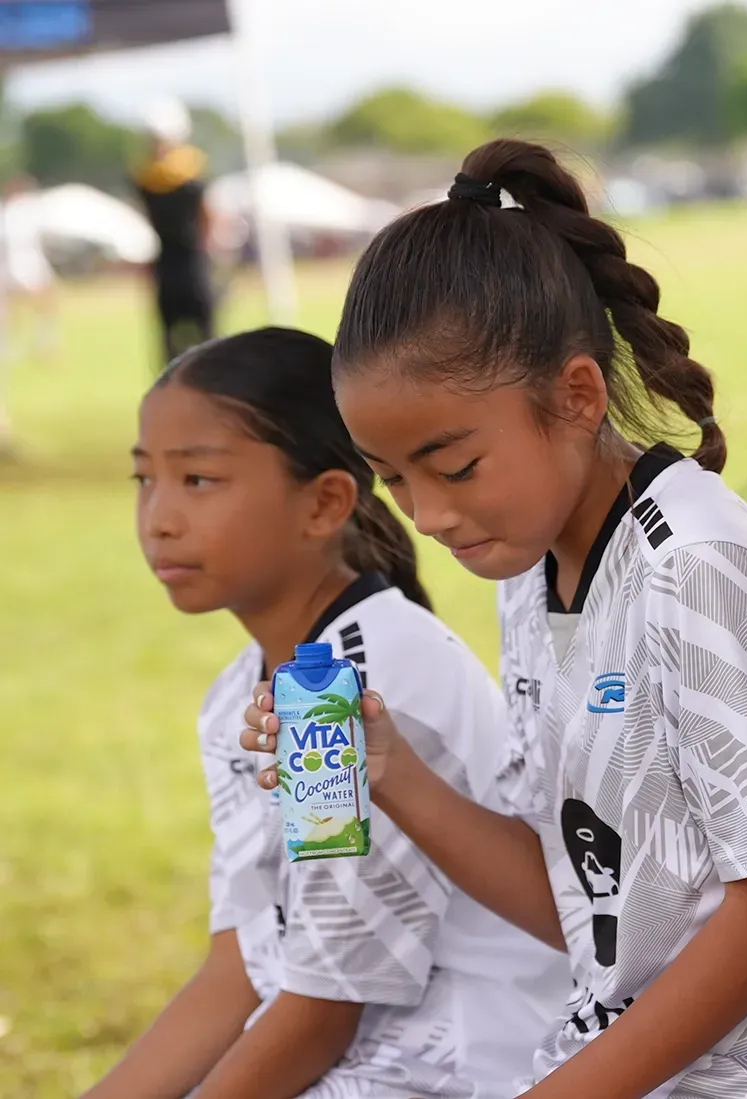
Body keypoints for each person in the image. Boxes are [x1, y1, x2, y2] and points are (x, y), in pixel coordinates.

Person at [239, 139, 747, 1099]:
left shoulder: (694, 563)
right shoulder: (530, 564)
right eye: (396, 478)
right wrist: (390, 771)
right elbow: (581, 902)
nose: (430, 513)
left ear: (577, 397)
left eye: (453, 466)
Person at [99, 328, 565, 1099]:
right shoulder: (237, 695)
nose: (160, 518)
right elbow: (240, 967)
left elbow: (325, 1008)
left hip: (469, 1065)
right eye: (145, 479)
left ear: (323, 503)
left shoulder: (368, 682)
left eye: (199, 480)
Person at [133, 97, 216, 365]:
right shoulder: (194, 170)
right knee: (206, 335)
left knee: (170, 339)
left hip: (167, 264)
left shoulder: (144, 177)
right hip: (192, 263)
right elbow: (207, 217)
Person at [0, 175, 59, 365]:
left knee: (42, 306)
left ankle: (43, 344)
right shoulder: (12, 214)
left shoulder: (24, 212)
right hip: (19, 265)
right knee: (16, 309)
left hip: (27, 264)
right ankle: (35, 345)